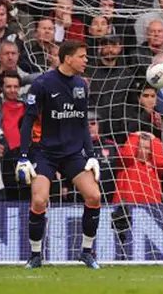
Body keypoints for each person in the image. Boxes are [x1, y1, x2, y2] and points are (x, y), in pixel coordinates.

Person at [15, 40, 101, 269]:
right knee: (40, 200)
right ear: (68, 58)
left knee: (94, 196)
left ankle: (86, 252)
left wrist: (90, 154)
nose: (86, 60)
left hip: (72, 153)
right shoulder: (42, 84)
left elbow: (83, 123)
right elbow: (27, 123)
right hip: (45, 153)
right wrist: (24, 157)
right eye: (82, 56)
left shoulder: (81, 85)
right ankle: (35, 255)